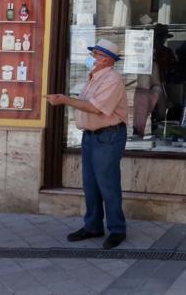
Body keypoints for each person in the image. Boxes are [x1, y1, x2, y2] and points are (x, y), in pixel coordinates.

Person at [46, 38, 127, 249]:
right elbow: (86, 105)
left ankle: (117, 229)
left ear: (107, 59)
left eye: (97, 55)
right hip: (92, 136)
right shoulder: (93, 78)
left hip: (108, 136)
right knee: (90, 184)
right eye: (94, 54)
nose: (93, 58)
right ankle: (93, 226)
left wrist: (64, 99)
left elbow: (95, 108)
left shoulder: (112, 79)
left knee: (107, 185)